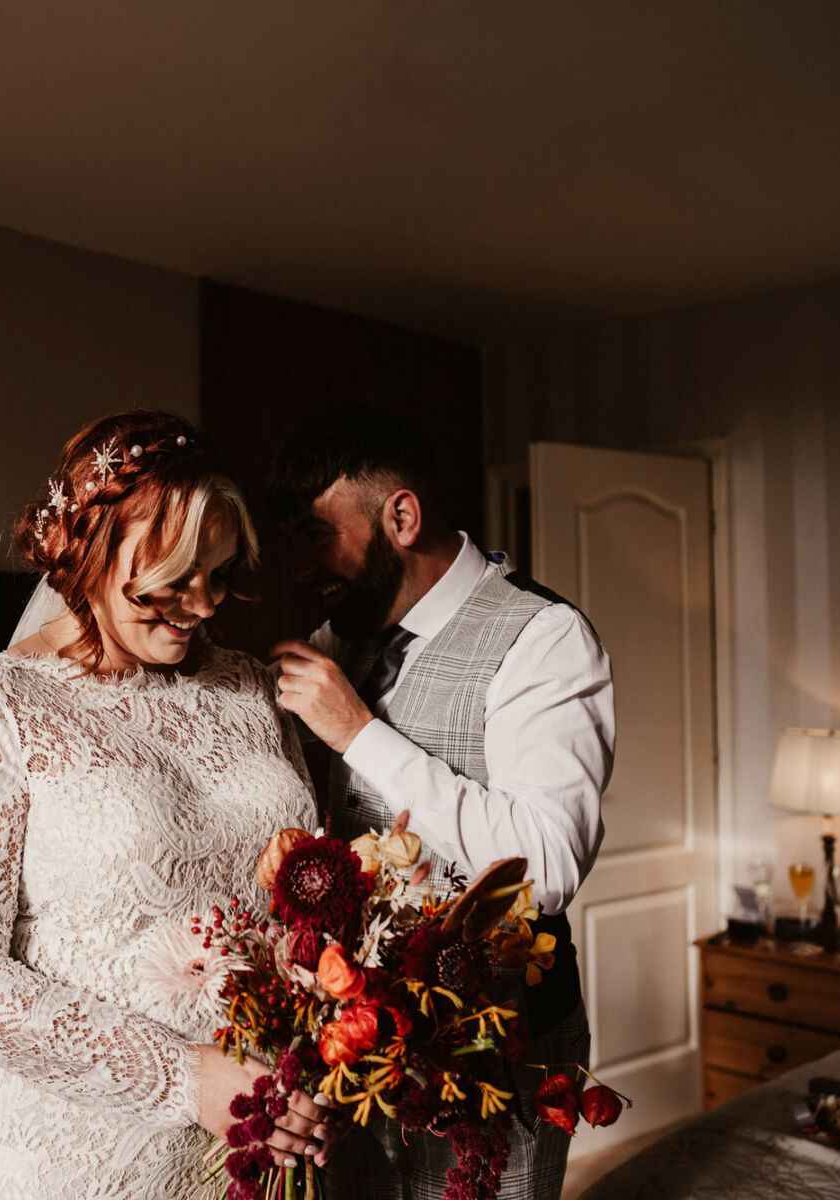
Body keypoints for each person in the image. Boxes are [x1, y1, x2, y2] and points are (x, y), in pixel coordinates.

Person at [0, 411, 341, 1198]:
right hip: (73, 1157)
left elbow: (301, 884)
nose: (203, 604)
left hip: (252, 1145)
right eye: (174, 578)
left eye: (218, 573)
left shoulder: (245, 685)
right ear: (92, 550)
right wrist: (186, 1078)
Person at [268, 406, 615, 1200]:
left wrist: (359, 734)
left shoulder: (545, 638)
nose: (302, 568)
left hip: (495, 1056)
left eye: (319, 537)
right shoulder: (338, 641)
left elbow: (548, 867)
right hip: (352, 1051)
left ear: (401, 516)